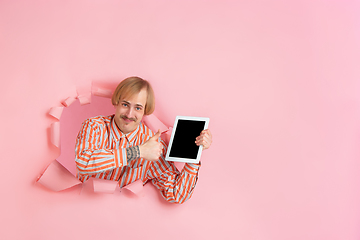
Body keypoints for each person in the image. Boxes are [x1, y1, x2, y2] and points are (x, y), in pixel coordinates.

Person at [75, 76, 212, 203]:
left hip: (119, 220)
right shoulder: (94, 127)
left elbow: (176, 194)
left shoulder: (154, 145)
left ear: (145, 111)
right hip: (82, 211)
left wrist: (195, 153)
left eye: (138, 108)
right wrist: (138, 151)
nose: (129, 114)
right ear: (116, 103)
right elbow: (84, 162)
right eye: (125, 104)